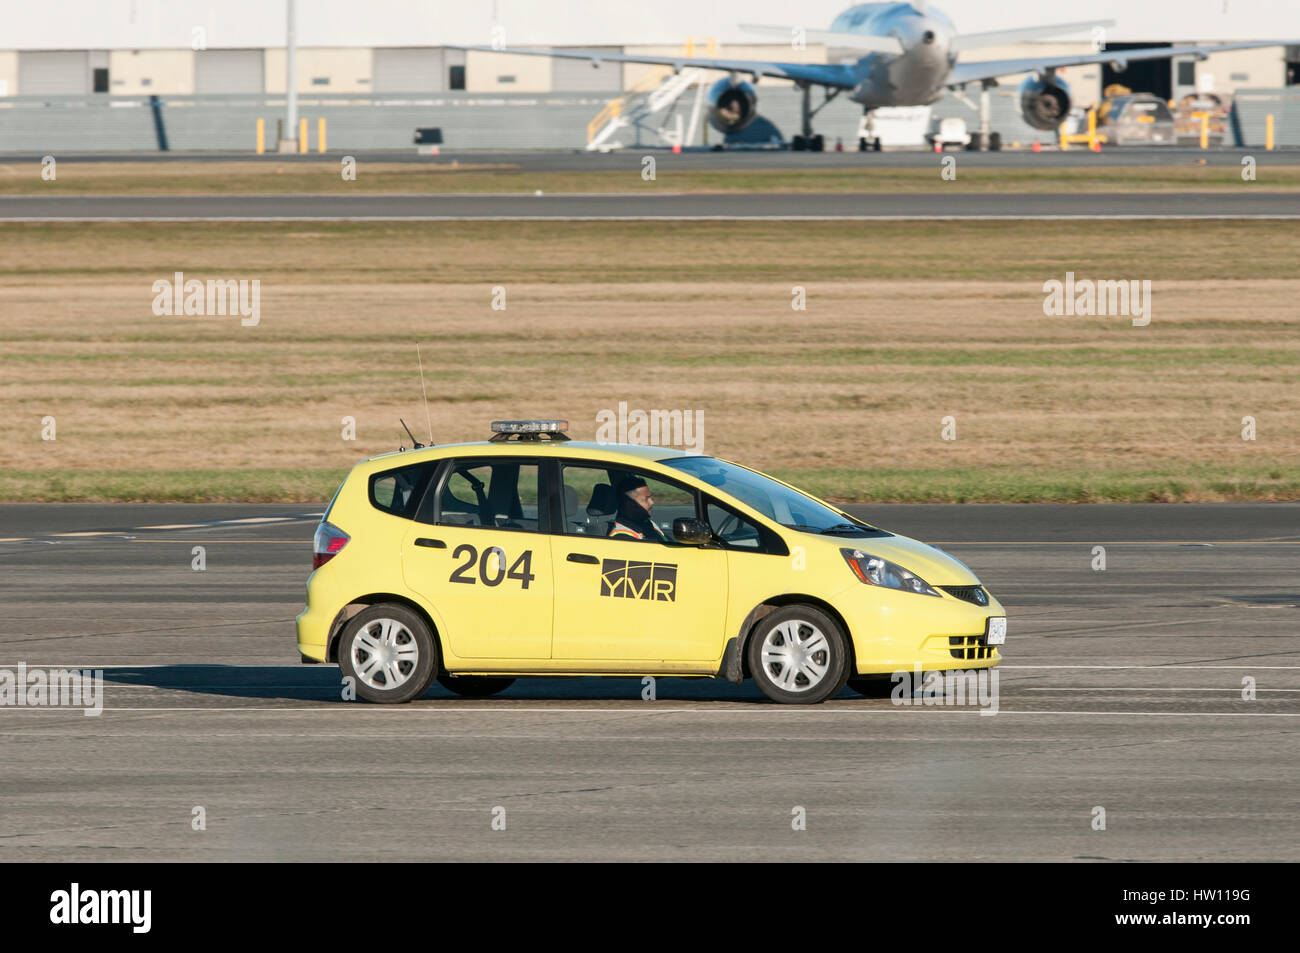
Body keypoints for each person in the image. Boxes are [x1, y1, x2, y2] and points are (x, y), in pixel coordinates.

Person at [608, 475, 669, 542]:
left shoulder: (646, 523)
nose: (652, 502)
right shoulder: (622, 538)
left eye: (650, 497)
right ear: (630, 504)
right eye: (646, 499)